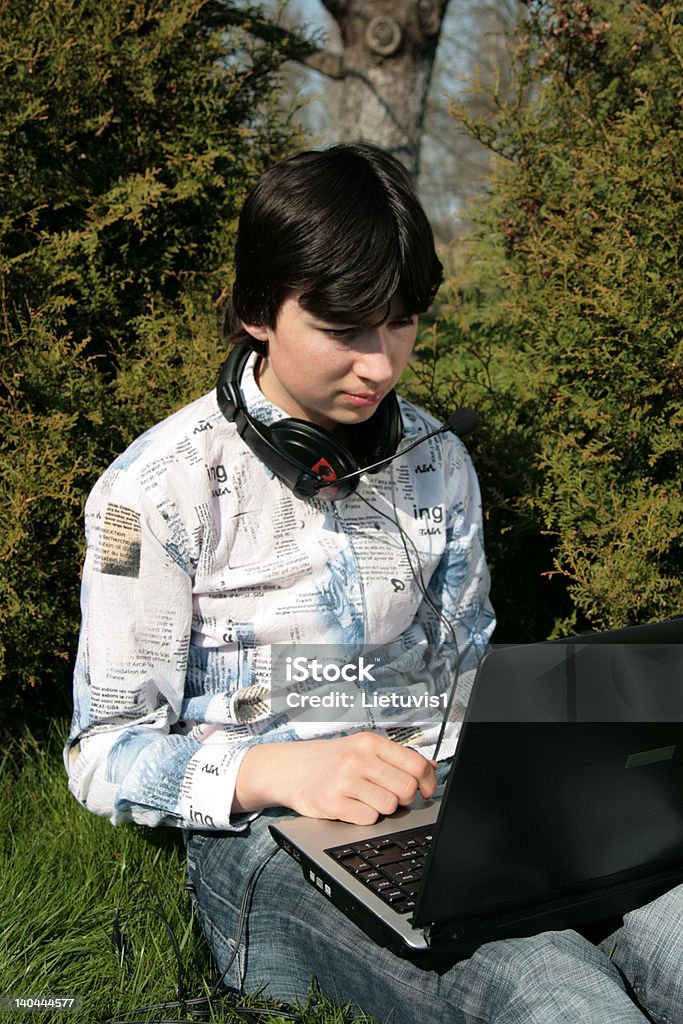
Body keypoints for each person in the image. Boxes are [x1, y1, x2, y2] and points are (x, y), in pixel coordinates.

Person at [65, 143, 683, 1024]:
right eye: (344, 328)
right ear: (255, 312)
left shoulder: (436, 460)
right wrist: (280, 769)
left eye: (399, 323)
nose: (381, 365)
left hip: (460, 811)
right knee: (553, 996)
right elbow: (102, 752)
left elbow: (470, 671)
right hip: (271, 840)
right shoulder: (152, 493)